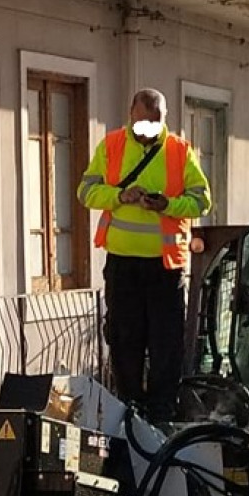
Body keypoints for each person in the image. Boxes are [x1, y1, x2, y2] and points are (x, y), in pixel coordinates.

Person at [77, 88, 211, 421]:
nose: (148, 129)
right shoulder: (111, 146)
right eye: (142, 123)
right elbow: (86, 192)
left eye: (155, 122)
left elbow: (201, 200)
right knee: (125, 339)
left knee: (166, 344)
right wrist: (121, 196)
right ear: (130, 115)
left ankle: (162, 410)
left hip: (165, 266)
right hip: (122, 266)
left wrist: (167, 204)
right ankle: (130, 406)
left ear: (164, 119)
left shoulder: (180, 151)